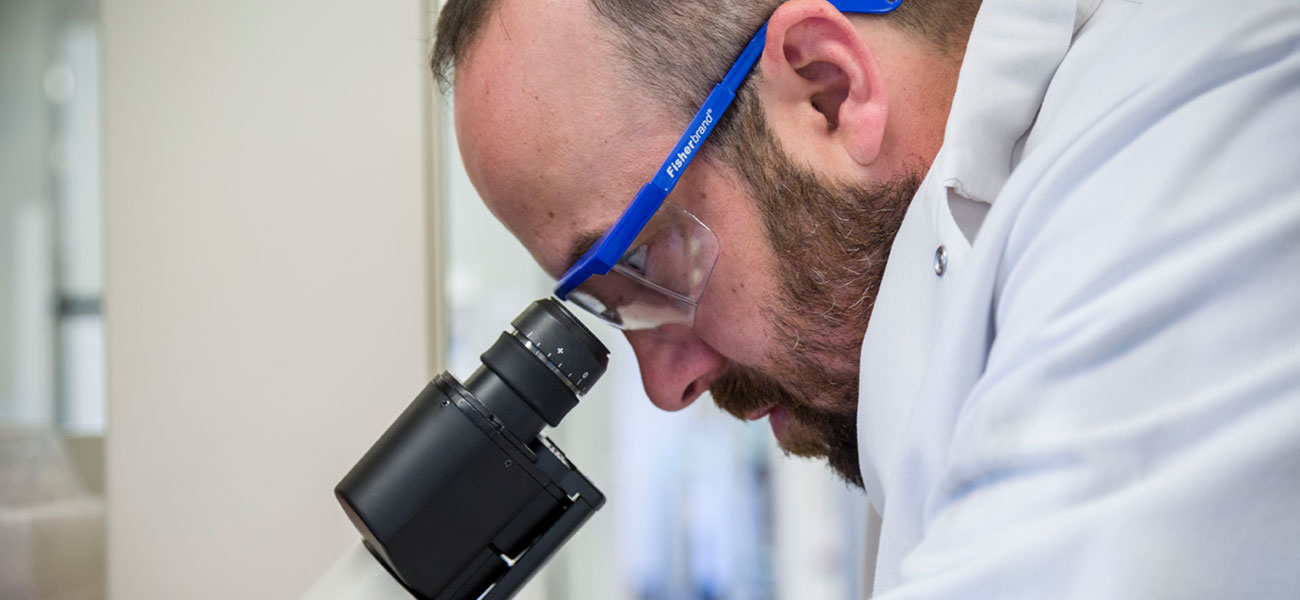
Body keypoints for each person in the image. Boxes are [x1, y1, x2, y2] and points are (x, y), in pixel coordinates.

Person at [433, 0, 1300, 596]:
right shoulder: (952, 310)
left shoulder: (1185, 137)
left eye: (645, 269)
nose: (668, 387)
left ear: (827, 89)